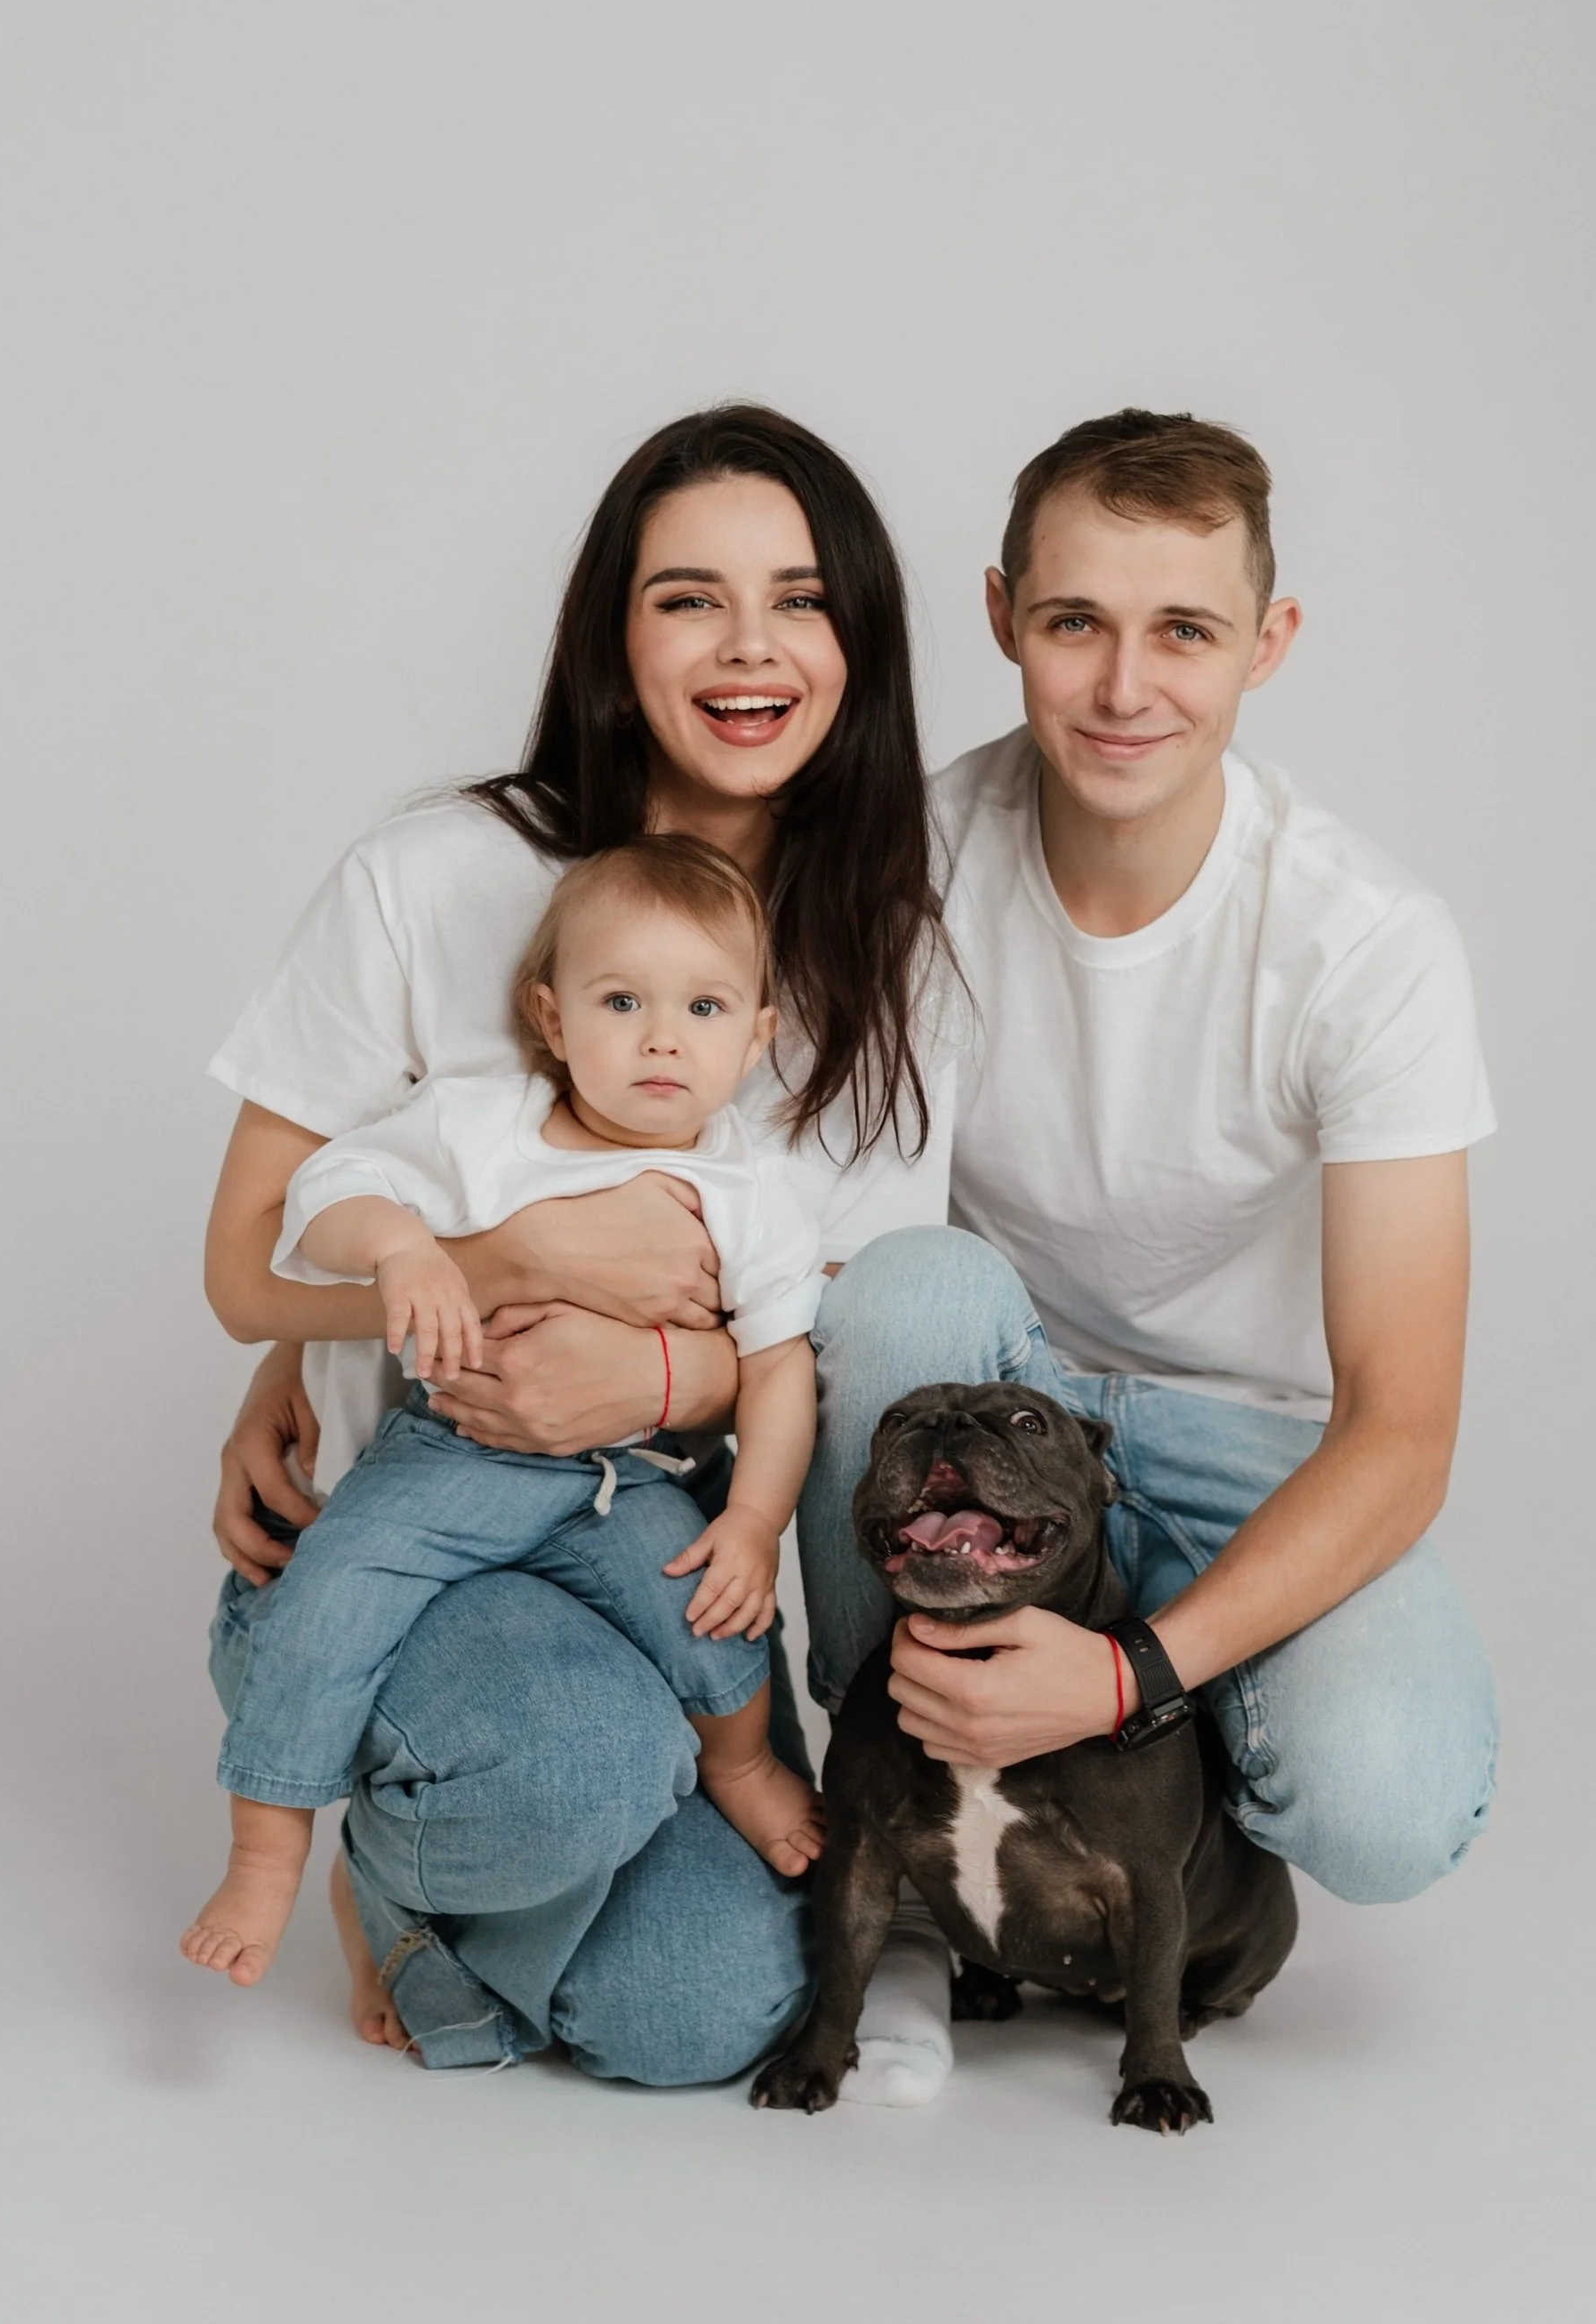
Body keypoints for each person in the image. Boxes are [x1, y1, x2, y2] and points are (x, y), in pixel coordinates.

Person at [200, 404, 951, 2082]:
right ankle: (384, 1844)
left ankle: (526, 1859)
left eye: (802, 599)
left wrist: (665, 1371)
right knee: (575, 1772)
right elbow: (251, 1265)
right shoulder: (434, 878)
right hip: (413, 1515)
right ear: (616, 639)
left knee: (700, 2013)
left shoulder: (882, 938)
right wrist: (500, 1275)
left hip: (647, 1515)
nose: (750, 647)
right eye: (690, 598)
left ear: (862, 641)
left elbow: (850, 1330)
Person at [798, 409, 1499, 2083]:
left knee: (1390, 1802)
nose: (1126, 688)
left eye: (1185, 629)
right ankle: (912, 1833)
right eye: (1076, 622)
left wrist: (1133, 1682)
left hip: (1244, 1449)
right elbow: (789, 1242)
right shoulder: (906, 866)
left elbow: (1403, 1429)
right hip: (999, 1405)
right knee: (899, 1291)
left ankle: (1121, 1820)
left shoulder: (1367, 942)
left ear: (1269, 640)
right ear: (1001, 616)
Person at [183, 837, 830, 1991]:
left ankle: (739, 1768)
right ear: (550, 1017)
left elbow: (780, 1367)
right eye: (621, 1002)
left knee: (709, 1608)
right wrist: (403, 1248)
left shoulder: (753, 1192)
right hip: (455, 1455)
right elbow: (326, 1191)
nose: (663, 1038)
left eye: (704, 1008)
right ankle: (268, 1850)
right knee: (331, 1594)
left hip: (625, 1477)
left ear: (756, 1037)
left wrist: (756, 1521)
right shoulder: (483, 1125)